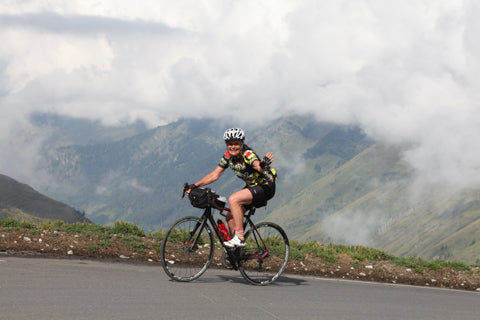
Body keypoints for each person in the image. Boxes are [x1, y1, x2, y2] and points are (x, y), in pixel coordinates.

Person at [187, 128, 277, 247]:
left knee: (233, 199)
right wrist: (195, 185)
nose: (233, 147)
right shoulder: (228, 156)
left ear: (241, 143)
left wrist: (262, 166)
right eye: (230, 144)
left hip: (265, 186)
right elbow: (215, 174)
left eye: (236, 144)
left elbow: (257, 166)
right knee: (230, 217)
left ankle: (240, 238)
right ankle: (237, 254)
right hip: (252, 186)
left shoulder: (248, 154)